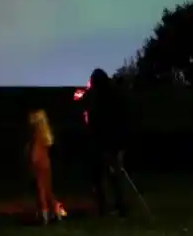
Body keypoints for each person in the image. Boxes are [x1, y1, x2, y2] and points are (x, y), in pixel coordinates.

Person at [79, 68, 129, 216]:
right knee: (111, 177)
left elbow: (99, 121)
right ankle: (113, 206)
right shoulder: (112, 96)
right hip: (111, 143)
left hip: (106, 144)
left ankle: (112, 207)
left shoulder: (103, 99)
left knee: (106, 176)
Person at [26, 108, 67, 225]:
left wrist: (31, 165)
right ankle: (57, 212)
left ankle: (44, 216)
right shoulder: (45, 135)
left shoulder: (36, 136)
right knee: (47, 190)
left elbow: (35, 154)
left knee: (41, 190)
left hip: (39, 164)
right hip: (46, 164)